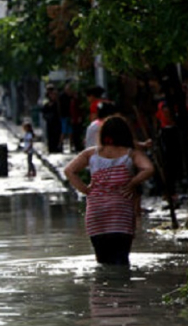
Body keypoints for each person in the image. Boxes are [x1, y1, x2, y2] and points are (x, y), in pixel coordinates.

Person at [64, 115, 155, 265]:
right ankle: (123, 287)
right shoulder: (130, 154)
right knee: (121, 260)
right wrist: (132, 182)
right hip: (121, 213)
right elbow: (149, 168)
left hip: (96, 214)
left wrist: (86, 190)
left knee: (102, 262)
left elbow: (69, 171)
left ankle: (103, 288)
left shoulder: (91, 154)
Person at [41, 85, 62, 153]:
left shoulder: (57, 100)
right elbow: (44, 110)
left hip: (57, 120)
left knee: (57, 134)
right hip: (50, 121)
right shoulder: (46, 101)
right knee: (50, 135)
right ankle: (51, 148)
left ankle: (57, 148)